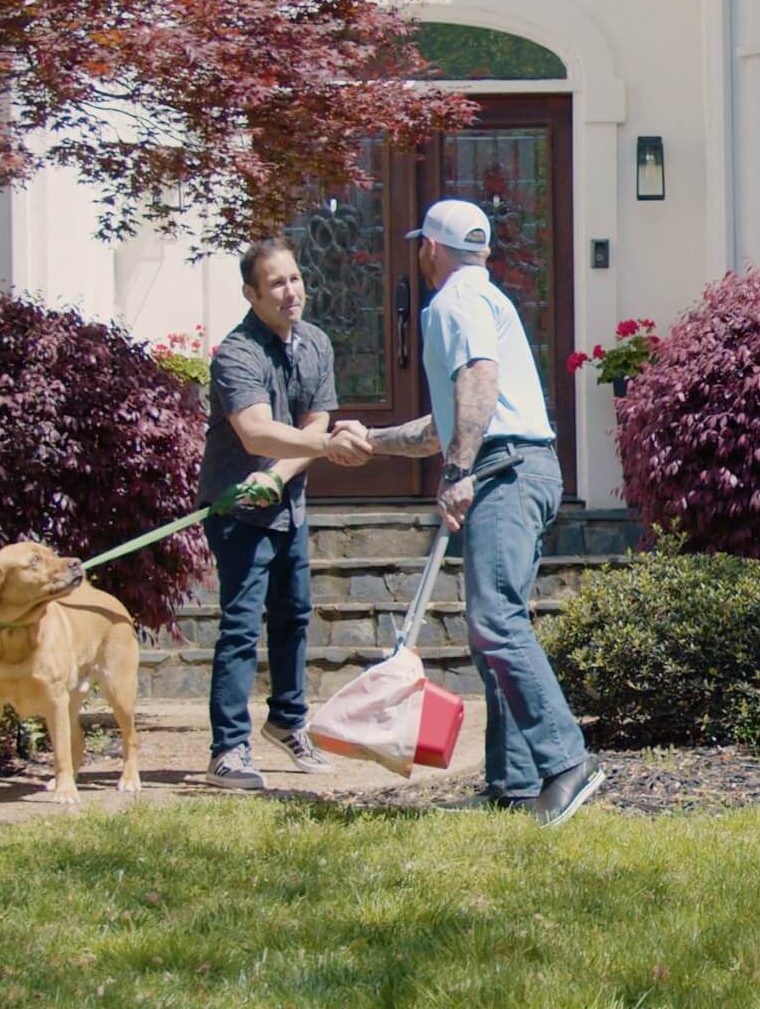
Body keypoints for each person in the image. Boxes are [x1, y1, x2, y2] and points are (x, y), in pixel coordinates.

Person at [357, 199, 603, 827]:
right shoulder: (487, 298)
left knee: (494, 620)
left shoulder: (454, 302)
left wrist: (460, 475)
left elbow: (480, 384)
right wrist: (371, 442)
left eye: (420, 245)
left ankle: (567, 761)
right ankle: (514, 781)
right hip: (523, 465)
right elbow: (451, 420)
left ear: (430, 249)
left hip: (503, 470)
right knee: (499, 622)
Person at [199, 238, 373, 789]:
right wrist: (299, 460)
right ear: (252, 294)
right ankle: (227, 750)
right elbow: (253, 430)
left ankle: (287, 722)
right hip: (238, 508)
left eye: (295, 278)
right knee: (241, 629)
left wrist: (280, 475)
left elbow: (316, 422)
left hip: (287, 503)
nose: (291, 290)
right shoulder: (236, 354)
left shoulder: (315, 342)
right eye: (276, 283)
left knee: (295, 617)